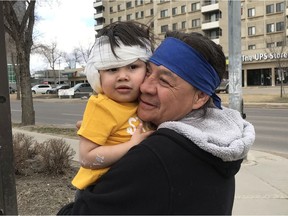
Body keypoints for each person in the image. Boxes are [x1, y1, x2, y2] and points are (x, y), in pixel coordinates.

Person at [58, 31, 255, 215]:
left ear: (200, 97)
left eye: (165, 81)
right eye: (148, 72)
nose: (145, 86)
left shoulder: (154, 155)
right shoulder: (217, 143)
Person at [71, 21, 154, 196]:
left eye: (133, 67)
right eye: (112, 69)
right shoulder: (101, 106)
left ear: (147, 70)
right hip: (99, 192)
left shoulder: (145, 103)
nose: (123, 76)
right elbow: (87, 158)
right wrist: (132, 145)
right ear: (97, 74)